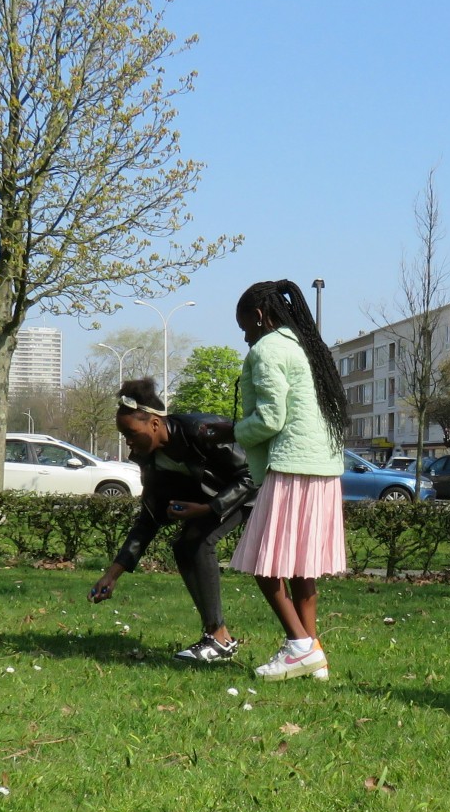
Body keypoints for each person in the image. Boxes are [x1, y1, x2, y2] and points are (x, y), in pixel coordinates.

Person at [223, 279, 350, 681]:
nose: (245, 337)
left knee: (265, 564)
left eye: (245, 327)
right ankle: (314, 656)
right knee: (302, 566)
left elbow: (270, 419)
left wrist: (231, 431)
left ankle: (298, 645)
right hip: (325, 467)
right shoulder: (307, 344)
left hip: (291, 464)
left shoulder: (268, 349)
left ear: (259, 317)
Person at [88, 377, 256, 664]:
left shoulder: (201, 431)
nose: (128, 442)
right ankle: (218, 636)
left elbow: (251, 473)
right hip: (213, 503)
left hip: (250, 493)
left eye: (131, 433)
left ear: (154, 423)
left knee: (199, 542)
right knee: (183, 547)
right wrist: (112, 574)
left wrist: (208, 509)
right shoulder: (148, 458)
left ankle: (218, 637)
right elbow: (149, 519)